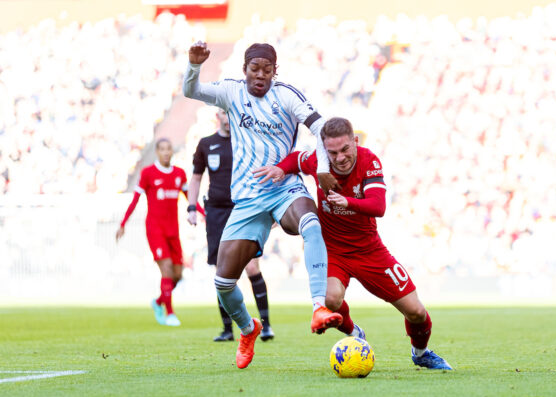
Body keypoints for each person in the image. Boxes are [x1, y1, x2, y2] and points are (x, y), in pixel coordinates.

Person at [183, 41, 343, 369]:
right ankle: (248, 328)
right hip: (246, 199)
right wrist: (194, 65)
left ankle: (318, 307)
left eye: (266, 70)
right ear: (244, 71)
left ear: (275, 71)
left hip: (285, 188)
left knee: (311, 224)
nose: (260, 75)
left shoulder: (286, 95)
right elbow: (191, 90)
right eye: (254, 69)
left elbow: (320, 128)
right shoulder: (231, 92)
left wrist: (323, 169)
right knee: (224, 282)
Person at [254, 117, 453, 370]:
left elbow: (378, 206)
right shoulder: (318, 160)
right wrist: (282, 169)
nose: (339, 158)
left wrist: (348, 202)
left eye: (345, 149)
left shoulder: (369, 161)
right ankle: (354, 332)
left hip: (369, 251)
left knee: (416, 312)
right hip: (333, 250)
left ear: (355, 142)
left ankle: (421, 353)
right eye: (332, 152)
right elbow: (296, 160)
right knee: (330, 300)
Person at [187, 108, 275, 342]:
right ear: (217, 116)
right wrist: (191, 207)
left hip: (243, 208)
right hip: (216, 212)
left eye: (230, 113)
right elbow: (196, 177)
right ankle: (228, 329)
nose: (227, 117)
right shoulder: (206, 144)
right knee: (221, 270)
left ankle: (265, 325)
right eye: (223, 113)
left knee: (252, 268)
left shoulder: (246, 141)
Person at [116, 138, 190, 327]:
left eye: (169, 149)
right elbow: (135, 199)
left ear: (172, 151)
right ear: (157, 152)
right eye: (162, 149)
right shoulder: (148, 173)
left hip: (173, 230)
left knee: (177, 275)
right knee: (166, 270)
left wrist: (203, 214)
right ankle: (170, 313)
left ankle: (158, 302)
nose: (166, 152)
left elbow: (190, 198)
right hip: (155, 230)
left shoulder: (179, 174)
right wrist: (123, 223)